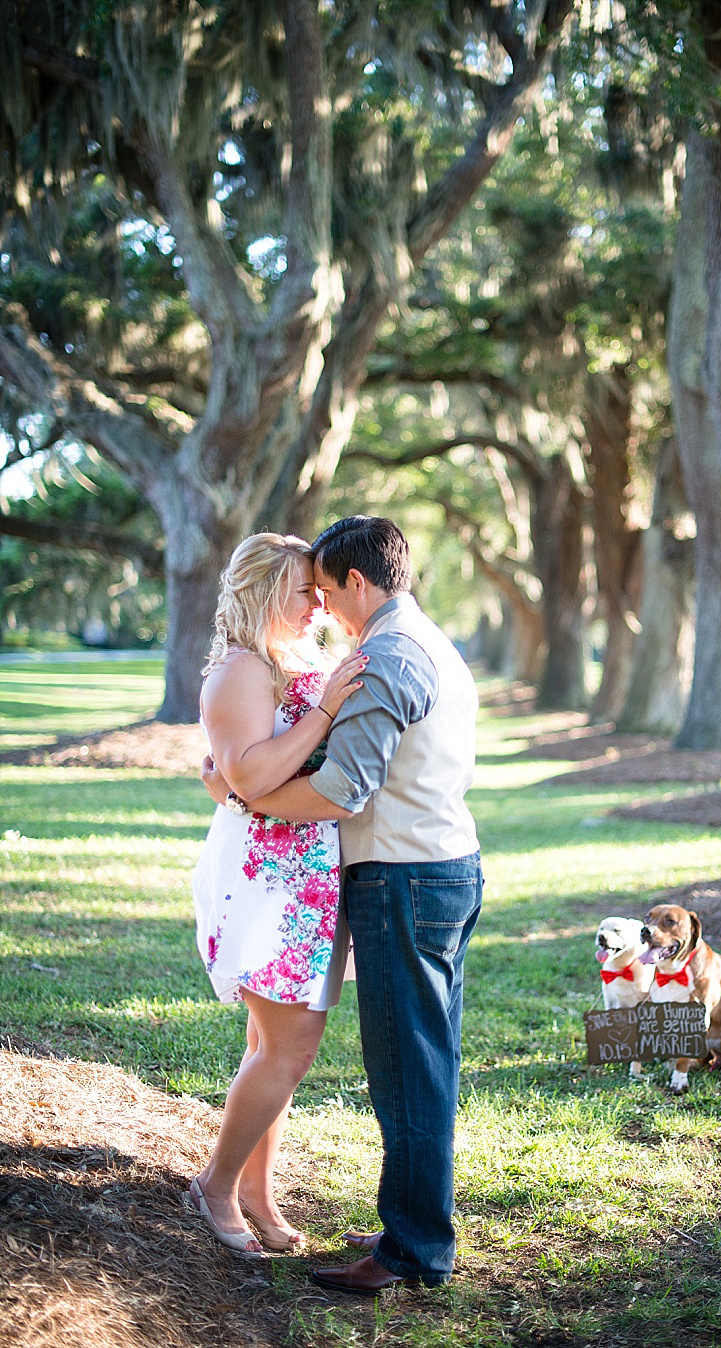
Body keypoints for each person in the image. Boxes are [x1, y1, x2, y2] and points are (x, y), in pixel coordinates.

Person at [202, 516, 483, 1292]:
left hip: (405, 877)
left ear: (358, 582)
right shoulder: (416, 639)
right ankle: (409, 1224)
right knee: (413, 1059)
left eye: (325, 591)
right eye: (306, 594)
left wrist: (243, 795)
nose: (321, 608)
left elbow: (337, 788)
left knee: (408, 1070)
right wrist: (239, 783)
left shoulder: (386, 654)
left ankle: (413, 1246)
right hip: (417, 869)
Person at [189, 532, 366, 1258]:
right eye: (304, 591)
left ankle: (258, 1192)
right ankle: (215, 1185)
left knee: (274, 1045)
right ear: (266, 590)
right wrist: (323, 713)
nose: (318, 604)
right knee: (287, 1048)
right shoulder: (240, 670)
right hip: (268, 879)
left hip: (306, 874)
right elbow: (252, 777)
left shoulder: (291, 662)